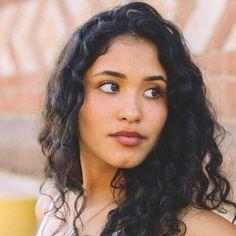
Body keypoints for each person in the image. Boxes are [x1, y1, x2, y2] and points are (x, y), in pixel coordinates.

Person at [35, 1, 236, 235]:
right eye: (110, 86)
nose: (132, 112)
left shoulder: (195, 230)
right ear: (71, 97)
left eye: (153, 92)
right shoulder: (53, 207)